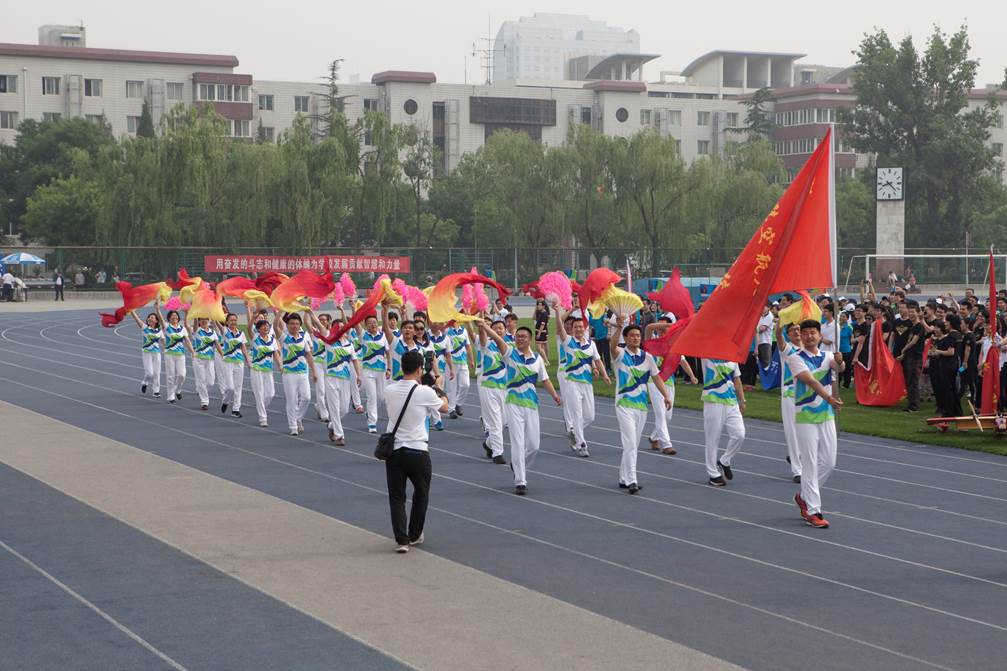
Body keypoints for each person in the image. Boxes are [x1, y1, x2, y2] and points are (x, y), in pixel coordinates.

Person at [384, 350, 449, 553]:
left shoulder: (389, 389)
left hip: (395, 450)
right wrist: (438, 387)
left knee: (397, 497)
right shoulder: (425, 392)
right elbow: (445, 408)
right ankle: (414, 534)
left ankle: (401, 540)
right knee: (421, 493)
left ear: (402, 367)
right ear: (420, 369)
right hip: (418, 450)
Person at [485, 324, 561, 496]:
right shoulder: (510, 354)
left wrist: (555, 395)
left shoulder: (537, 359)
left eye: (523, 336)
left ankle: (517, 464)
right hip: (513, 404)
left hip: (531, 405)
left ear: (530, 339)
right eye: (518, 336)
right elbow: (498, 340)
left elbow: (545, 379)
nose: (520, 339)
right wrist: (484, 326)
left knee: (534, 445)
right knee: (518, 443)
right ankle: (520, 481)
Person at [788, 319, 844, 529]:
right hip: (806, 416)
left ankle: (804, 496)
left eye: (813, 332)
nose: (809, 336)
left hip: (826, 415)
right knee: (810, 463)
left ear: (820, 336)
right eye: (806, 333)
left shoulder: (828, 356)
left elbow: (839, 369)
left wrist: (840, 361)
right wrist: (829, 398)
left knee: (829, 462)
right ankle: (813, 510)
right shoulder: (795, 358)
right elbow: (810, 380)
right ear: (801, 337)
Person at [610, 317, 672, 493]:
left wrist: (666, 396)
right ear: (626, 338)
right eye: (632, 335)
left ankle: (623, 478)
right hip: (624, 404)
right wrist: (618, 329)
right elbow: (612, 347)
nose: (635, 338)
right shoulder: (621, 355)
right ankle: (632, 480)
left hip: (641, 406)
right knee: (630, 443)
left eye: (638, 335)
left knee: (633, 444)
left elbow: (657, 378)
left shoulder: (648, 358)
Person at [556, 305, 609, 457]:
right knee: (577, 414)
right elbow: (559, 325)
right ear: (572, 329)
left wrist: (604, 374)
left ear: (585, 328)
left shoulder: (591, 344)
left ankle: (574, 431)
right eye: (576, 327)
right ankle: (581, 444)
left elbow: (597, 360)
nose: (579, 329)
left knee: (590, 416)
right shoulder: (568, 342)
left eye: (581, 327)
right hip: (572, 383)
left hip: (587, 384)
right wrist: (557, 312)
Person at [644, 317, 698, 456]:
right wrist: (668, 325)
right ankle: (667, 445)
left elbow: (682, 361)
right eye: (660, 327)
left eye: (666, 328)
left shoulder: (675, 345)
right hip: (654, 382)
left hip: (669, 382)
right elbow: (649, 328)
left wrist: (692, 375)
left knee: (668, 416)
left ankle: (654, 437)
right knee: (661, 414)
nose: (662, 330)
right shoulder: (651, 343)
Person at [309, 312, 363, 445]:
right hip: (331, 378)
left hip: (345, 378)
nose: (341, 328)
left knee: (344, 409)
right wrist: (310, 312)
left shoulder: (349, 344)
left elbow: (355, 360)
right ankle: (339, 435)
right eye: (338, 327)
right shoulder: (329, 340)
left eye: (342, 327)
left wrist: (358, 375)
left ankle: (332, 425)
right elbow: (319, 325)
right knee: (334, 407)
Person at [701, 357, 746, 487]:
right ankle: (713, 474)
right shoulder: (706, 355)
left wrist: (742, 400)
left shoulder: (732, 357)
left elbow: (736, 379)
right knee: (712, 439)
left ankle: (724, 460)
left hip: (731, 401)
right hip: (713, 400)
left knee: (739, 434)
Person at [274, 310, 318, 436]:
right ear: (287, 325)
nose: (294, 326)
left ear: (300, 325)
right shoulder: (284, 338)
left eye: (297, 324)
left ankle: (297, 418)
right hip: (289, 374)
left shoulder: (303, 338)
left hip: (303, 372)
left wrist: (314, 371)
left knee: (306, 397)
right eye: (292, 324)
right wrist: (280, 311)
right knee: (292, 400)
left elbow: (308, 355)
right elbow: (275, 326)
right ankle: (293, 426)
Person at [475, 319, 509, 465]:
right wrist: (482, 326)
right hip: (488, 387)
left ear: (505, 331)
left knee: (504, 421)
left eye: (501, 328)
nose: (498, 330)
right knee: (495, 421)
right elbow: (482, 335)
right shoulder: (486, 344)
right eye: (495, 328)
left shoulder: (508, 347)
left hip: (504, 388)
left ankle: (488, 444)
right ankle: (498, 453)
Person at [776, 321, 803, 482]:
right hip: (789, 395)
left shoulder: (808, 350)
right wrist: (782, 319)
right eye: (792, 330)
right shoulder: (787, 350)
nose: (796, 332)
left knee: (807, 431)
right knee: (792, 432)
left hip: (806, 395)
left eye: (798, 329)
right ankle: (797, 470)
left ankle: (797, 456)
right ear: (788, 334)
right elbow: (778, 335)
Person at [357, 313, 390, 433]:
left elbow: (388, 354)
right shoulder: (363, 335)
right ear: (366, 325)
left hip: (381, 371)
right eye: (370, 323)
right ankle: (372, 422)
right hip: (368, 371)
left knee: (381, 398)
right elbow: (356, 323)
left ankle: (369, 413)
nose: (373, 324)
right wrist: (354, 309)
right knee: (371, 397)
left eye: (374, 322)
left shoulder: (383, 336)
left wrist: (389, 369)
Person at [248, 318, 281, 427]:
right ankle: (263, 418)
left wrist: (280, 366)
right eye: (263, 326)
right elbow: (249, 328)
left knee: (270, 394)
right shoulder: (255, 338)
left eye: (267, 326)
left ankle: (261, 407)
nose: (266, 327)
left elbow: (275, 354)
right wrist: (253, 316)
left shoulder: (272, 339)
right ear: (258, 329)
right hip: (257, 370)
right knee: (259, 393)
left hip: (268, 370)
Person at [157, 306, 193, 404]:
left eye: (176, 315)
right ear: (169, 318)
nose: (174, 317)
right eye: (172, 316)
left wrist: (192, 352)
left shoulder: (182, 329)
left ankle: (178, 389)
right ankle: (171, 396)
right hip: (169, 354)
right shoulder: (167, 327)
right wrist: (157, 309)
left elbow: (187, 341)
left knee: (182, 375)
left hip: (180, 354)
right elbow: (160, 319)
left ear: (178, 318)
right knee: (170, 376)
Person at [894, 301, 925, 412]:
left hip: (915, 357)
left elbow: (913, 341)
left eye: (913, 312)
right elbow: (909, 340)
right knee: (909, 381)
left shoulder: (919, 326)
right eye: (910, 312)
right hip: (909, 356)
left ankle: (914, 405)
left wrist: (904, 349)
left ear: (918, 313)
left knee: (913, 381)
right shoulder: (913, 326)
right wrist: (903, 354)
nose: (911, 314)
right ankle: (911, 403)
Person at [218, 313, 250, 418]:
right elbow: (216, 324)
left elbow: (243, 347)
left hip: (239, 362)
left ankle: (236, 409)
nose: (233, 322)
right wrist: (212, 315)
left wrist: (248, 360)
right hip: (228, 362)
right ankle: (225, 401)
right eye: (231, 320)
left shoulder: (241, 334)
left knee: (238, 386)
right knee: (230, 387)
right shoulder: (225, 331)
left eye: (235, 320)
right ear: (227, 322)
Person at [129, 306, 163, 397]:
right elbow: (136, 319)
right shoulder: (144, 328)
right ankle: (145, 382)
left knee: (157, 373)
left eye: (152, 317)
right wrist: (131, 310)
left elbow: (163, 341)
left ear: (156, 321)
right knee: (150, 373)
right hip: (147, 353)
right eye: (149, 317)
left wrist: (166, 348)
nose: (150, 319)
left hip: (156, 353)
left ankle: (156, 391)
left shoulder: (159, 331)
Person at [190, 317, 221, 411]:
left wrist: (223, 355)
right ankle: (204, 401)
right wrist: (195, 317)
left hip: (210, 359)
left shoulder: (213, 332)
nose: (204, 321)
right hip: (198, 359)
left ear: (209, 320)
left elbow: (217, 344)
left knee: (211, 382)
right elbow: (195, 325)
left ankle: (201, 390)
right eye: (202, 319)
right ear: (199, 321)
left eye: (206, 319)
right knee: (201, 380)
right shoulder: (197, 331)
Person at [446, 321, 474, 418]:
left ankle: (458, 403)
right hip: (451, 363)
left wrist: (471, 360)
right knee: (451, 387)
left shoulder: (464, 331)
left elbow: (468, 346)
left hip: (463, 362)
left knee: (466, 385)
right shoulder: (447, 330)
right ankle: (451, 409)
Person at [309, 314, 331, 424]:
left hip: (329, 364)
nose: (322, 321)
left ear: (328, 321)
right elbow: (306, 322)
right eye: (320, 319)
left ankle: (319, 405)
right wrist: (308, 311)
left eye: (324, 320)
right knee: (320, 389)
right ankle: (324, 413)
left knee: (329, 389)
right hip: (317, 363)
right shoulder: (314, 332)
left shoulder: (330, 333)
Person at [838, 311, 854, 389]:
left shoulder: (849, 327)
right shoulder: (837, 326)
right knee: (838, 367)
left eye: (844, 316)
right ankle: (837, 383)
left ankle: (846, 384)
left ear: (847, 318)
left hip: (846, 350)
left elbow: (852, 339)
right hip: (838, 350)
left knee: (847, 368)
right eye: (841, 316)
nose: (842, 318)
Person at [756, 303, 774, 368]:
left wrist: (754, 328)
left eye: (764, 307)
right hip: (758, 342)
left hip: (766, 343)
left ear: (769, 308)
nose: (762, 308)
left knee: (766, 364)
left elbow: (761, 329)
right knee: (759, 364)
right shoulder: (760, 316)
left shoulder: (770, 316)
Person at [533, 299, 551, 364]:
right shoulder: (541, 313)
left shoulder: (544, 314)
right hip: (540, 331)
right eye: (538, 305)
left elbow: (542, 324)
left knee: (539, 348)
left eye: (540, 305)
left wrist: (539, 333)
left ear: (543, 306)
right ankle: (544, 360)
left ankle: (546, 361)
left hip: (541, 332)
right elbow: (534, 318)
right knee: (541, 347)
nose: (538, 306)